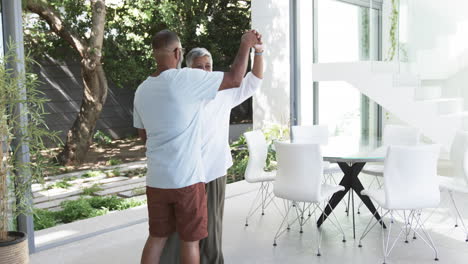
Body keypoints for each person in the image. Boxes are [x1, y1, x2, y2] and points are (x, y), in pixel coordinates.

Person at [134, 29, 261, 264]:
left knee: (156, 238)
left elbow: (143, 137)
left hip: (156, 180)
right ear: (178, 52)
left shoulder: (141, 90)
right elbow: (235, 78)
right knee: (190, 241)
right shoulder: (185, 79)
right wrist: (245, 44)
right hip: (187, 179)